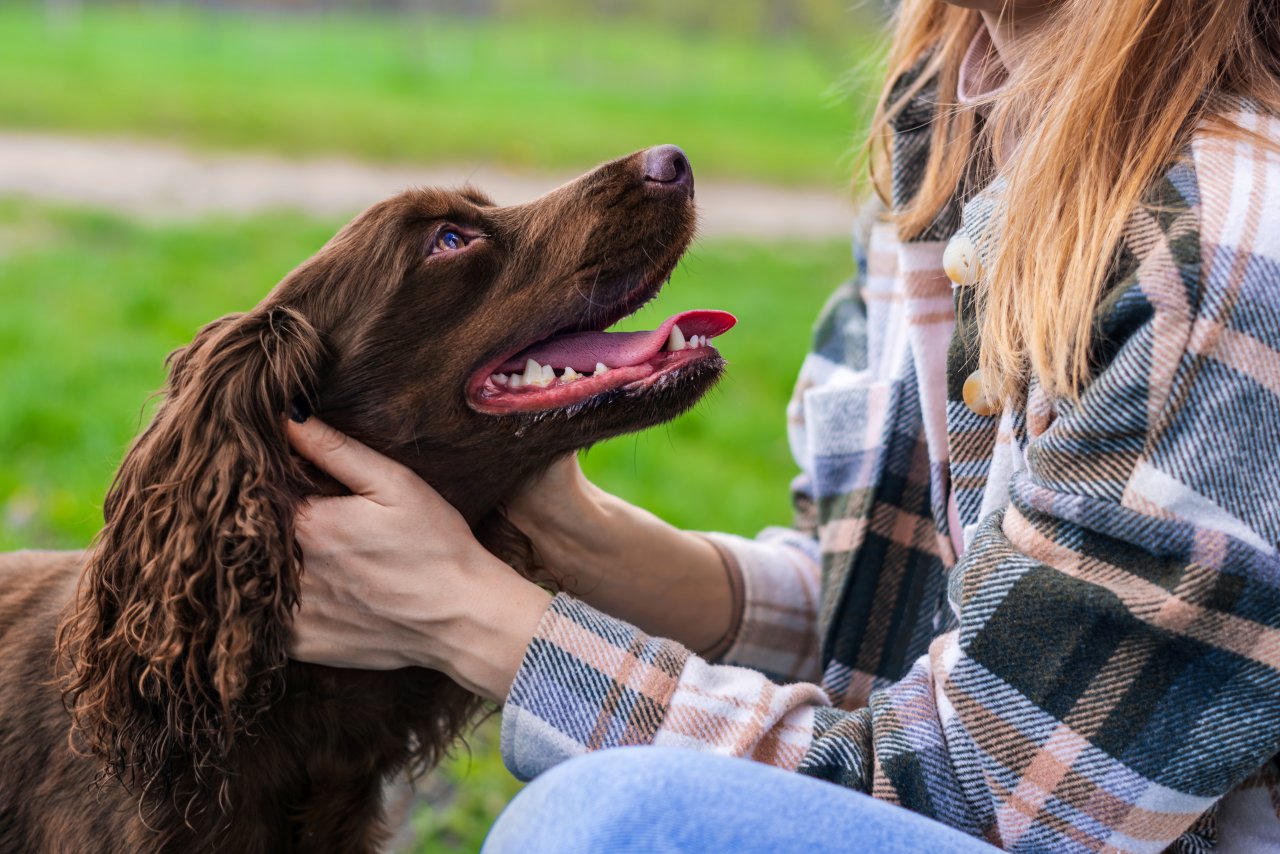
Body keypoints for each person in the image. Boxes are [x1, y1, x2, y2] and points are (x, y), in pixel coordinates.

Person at [284, 0, 1280, 850]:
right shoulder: (950, 124)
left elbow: (987, 797)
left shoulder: (1226, 248)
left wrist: (475, 619)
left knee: (616, 825)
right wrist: (566, 544)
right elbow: (891, 607)